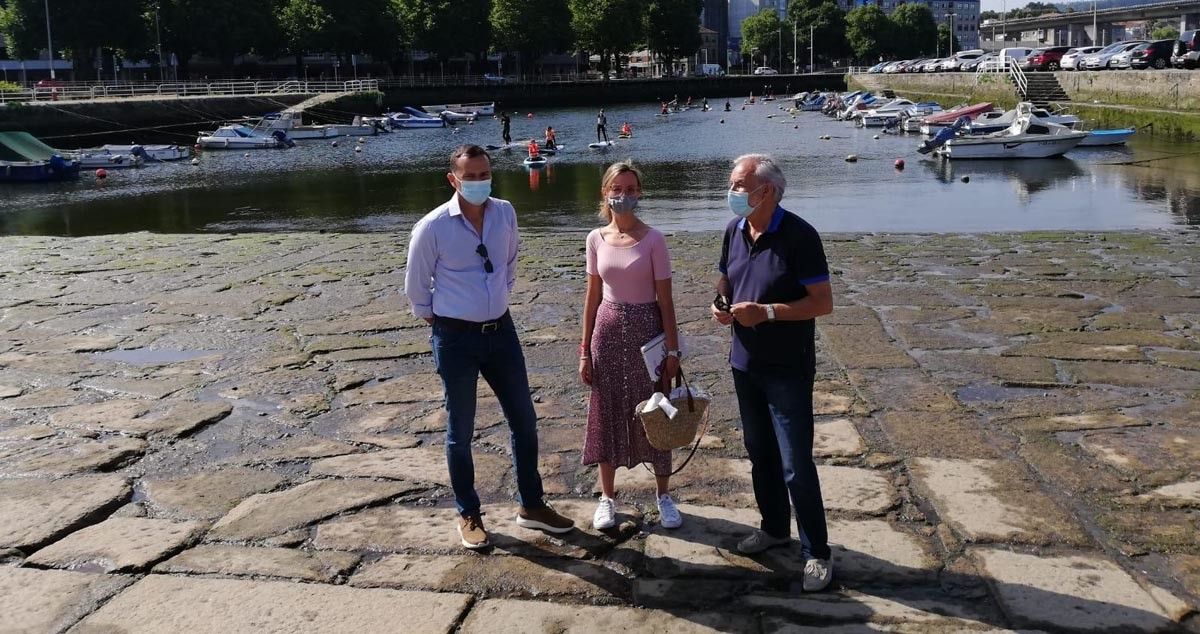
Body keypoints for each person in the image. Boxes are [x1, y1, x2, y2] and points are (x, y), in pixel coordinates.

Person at [405, 144, 575, 550]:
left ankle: (532, 506)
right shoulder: (432, 227)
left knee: (524, 419)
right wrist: (446, 319)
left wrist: (495, 300)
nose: (479, 182)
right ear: (453, 179)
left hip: (501, 332)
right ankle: (468, 512)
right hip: (455, 338)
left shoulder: (505, 212)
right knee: (460, 430)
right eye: (471, 176)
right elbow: (416, 289)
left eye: (485, 175)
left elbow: (510, 263)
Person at [711, 153, 835, 592]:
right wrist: (721, 303)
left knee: (795, 463)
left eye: (739, 185)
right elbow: (726, 275)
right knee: (759, 452)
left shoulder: (800, 235)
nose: (732, 192)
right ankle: (774, 528)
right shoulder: (734, 230)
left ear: (766, 191)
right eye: (732, 184)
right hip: (744, 364)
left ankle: (817, 552)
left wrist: (765, 311)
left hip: (787, 368)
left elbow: (821, 303)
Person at [580, 161, 682, 531]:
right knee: (606, 412)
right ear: (605, 193)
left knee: (657, 413)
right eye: (616, 189)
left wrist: (673, 350)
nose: (623, 196)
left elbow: (666, 302)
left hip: (647, 335)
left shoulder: (654, 239)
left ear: (639, 193)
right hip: (606, 334)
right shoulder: (595, 238)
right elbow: (591, 297)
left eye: (630, 189)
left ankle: (664, 495)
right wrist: (584, 350)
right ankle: (607, 498)